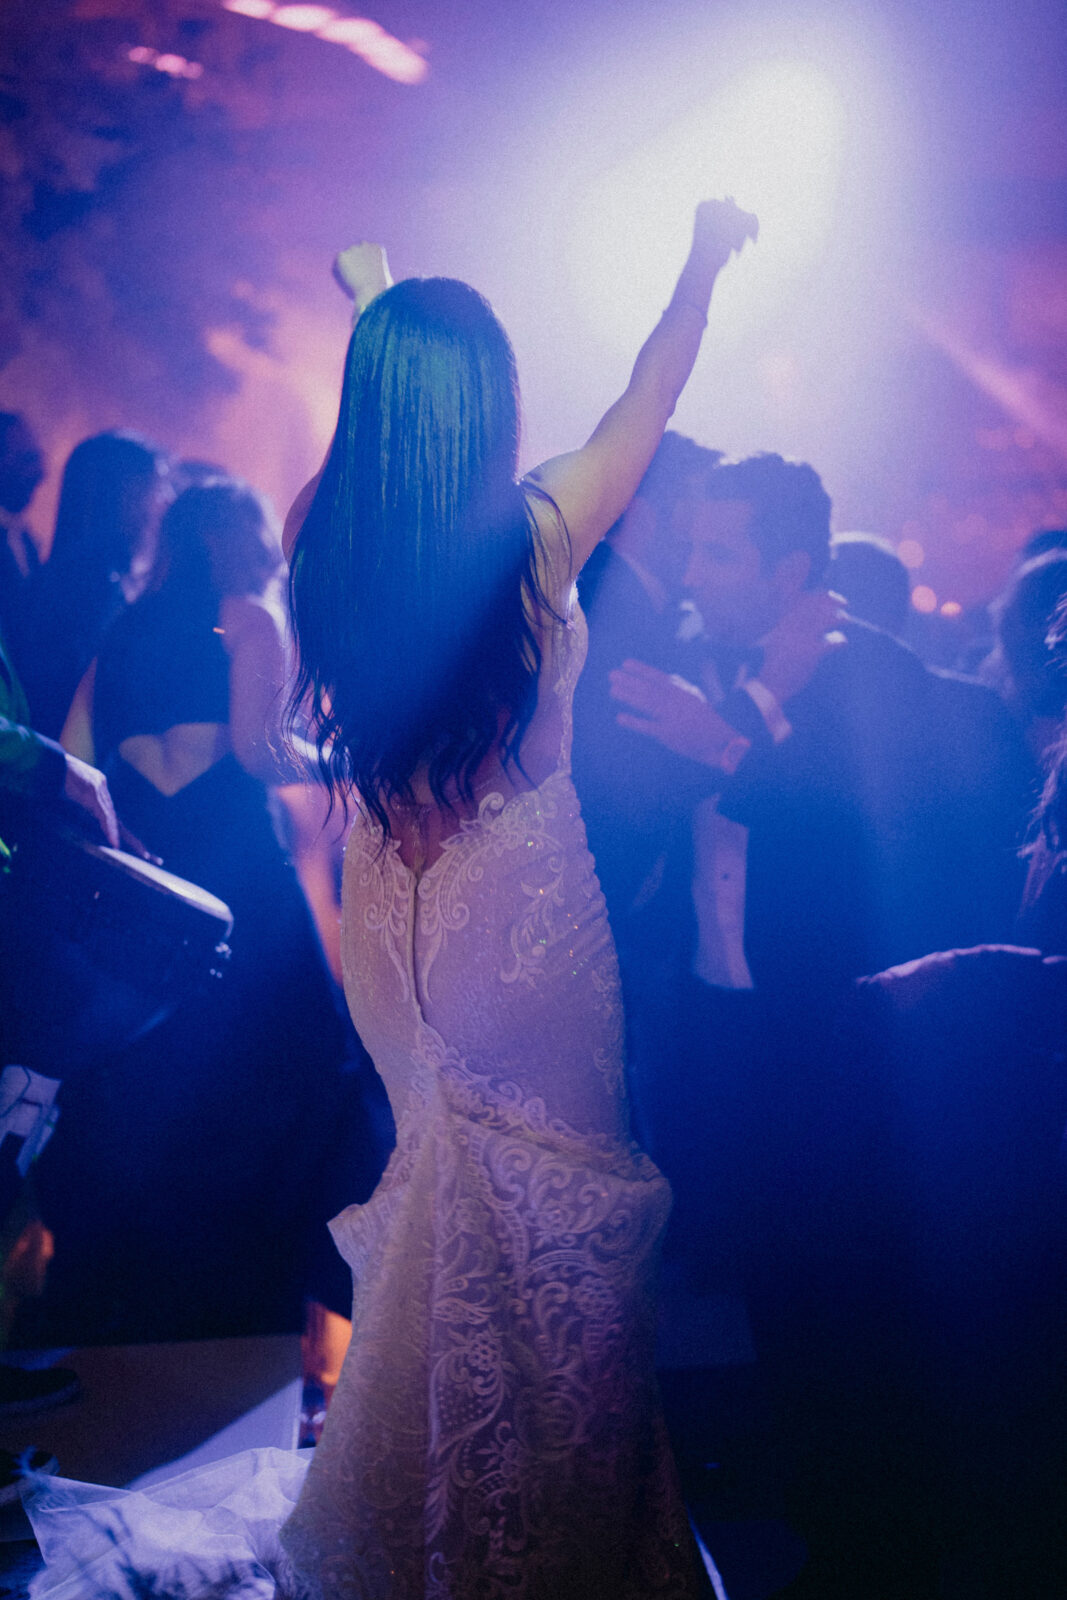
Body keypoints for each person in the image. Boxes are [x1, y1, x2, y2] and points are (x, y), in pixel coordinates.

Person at [27, 201, 757, 1597]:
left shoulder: (322, 533)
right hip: (520, 915)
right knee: (565, 1227)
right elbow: (648, 391)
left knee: (437, 1209)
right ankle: (554, 1535)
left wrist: (373, 307)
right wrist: (699, 263)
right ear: (490, 406)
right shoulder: (540, 531)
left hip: (390, 919)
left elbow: (393, 437)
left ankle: (427, 1518)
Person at [29, 477, 371, 1346]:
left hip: (150, 890)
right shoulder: (247, 618)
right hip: (239, 890)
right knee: (291, 1070)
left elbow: (77, 757)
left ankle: (153, 1302)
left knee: (168, 1082)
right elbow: (258, 750)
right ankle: (260, 1300)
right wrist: (344, 763)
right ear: (240, 540)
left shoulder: (125, 628)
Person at [13, 430, 170, 739]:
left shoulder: (80, 576)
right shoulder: (88, 585)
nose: (167, 500)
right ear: (124, 494)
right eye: (158, 485)